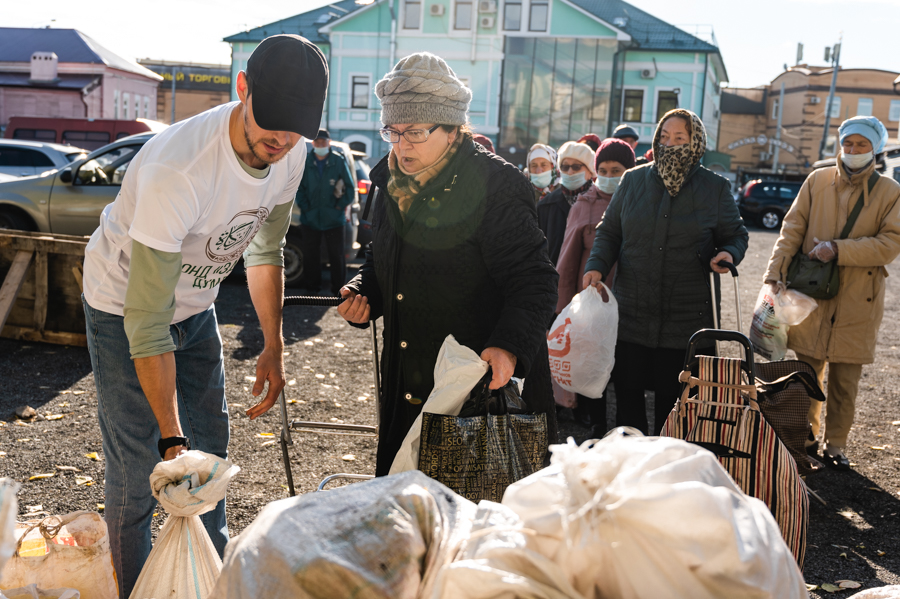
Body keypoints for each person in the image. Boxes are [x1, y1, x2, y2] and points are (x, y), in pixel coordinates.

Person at [80, 35, 328, 598]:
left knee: (212, 447)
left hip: (195, 303)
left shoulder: (289, 153)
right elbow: (147, 322)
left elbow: (265, 250)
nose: (282, 142)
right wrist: (171, 438)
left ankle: (205, 581)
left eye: (297, 132)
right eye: (273, 126)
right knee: (141, 462)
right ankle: (136, 587)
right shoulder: (181, 166)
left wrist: (273, 346)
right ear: (243, 88)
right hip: (124, 302)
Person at [337, 52, 559, 476]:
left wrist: (509, 347)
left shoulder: (495, 184)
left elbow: (535, 280)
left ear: (452, 127)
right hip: (409, 381)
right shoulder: (390, 181)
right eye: (393, 132)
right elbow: (381, 258)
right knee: (410, 519)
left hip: (475, 388)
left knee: (474, 524)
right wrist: (365, 290)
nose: (401, 145)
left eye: (415, 132)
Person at [583, 109, 749, 435]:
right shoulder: (633, 180)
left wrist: (728, 253)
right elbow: (610, 231)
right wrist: (597, 267)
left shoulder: (713, 187)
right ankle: (631, 464)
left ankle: (668, 468)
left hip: (685, 317)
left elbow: (736, 234)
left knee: (677, 402)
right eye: (664, 136)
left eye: (680, 138)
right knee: (628, 394)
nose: (670, 144)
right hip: (632, 310)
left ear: (696, 142)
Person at [763, 116, 900, 469]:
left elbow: (890, 244)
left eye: (862, 145)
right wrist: (774, 272)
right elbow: (791, 229)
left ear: (876, 149)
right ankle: (806, 438)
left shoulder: (890, 191)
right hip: (812, 296)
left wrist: (838, 249)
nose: (853, 151)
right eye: (848, 143)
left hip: (859, 299)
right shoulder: (817, 180)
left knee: (845, 381)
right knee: (805, 372)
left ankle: (836, 444)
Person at [555, 138, 634, 436]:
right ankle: (597, 424)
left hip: (630, 300)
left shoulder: (638, 202)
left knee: (624, 368)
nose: (609, 176)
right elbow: (567, 261)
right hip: (594, 299)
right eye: (603, 169)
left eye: (617, 170)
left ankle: (625, 427)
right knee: (594, 361)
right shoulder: (585, 205)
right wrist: (563, 307)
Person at [295, 128, 355, 295]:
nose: (320, 144)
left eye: (324, 142)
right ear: (313, 144)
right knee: (310, 256)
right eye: (318, 142)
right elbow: (298, 188)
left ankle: (339, 290)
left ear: (329, 144)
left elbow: (350, 189)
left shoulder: (338, 161)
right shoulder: (306, 161)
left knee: (337, 256)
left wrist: (339, 206)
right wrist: (305, 207)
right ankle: (312, 288)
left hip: (334, 219)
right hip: (310, 218)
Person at [537, 141, 596, 266]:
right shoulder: (546, 206)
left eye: (576, 167)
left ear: (590, 171)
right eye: (565, 167)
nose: (570, 172)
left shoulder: (602, 204)